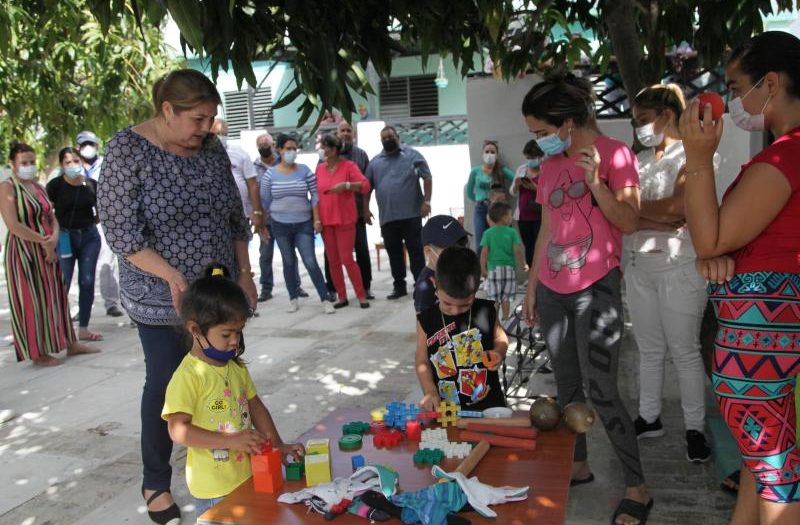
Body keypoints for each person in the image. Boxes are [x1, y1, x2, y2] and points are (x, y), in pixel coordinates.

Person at [97, 69, 257, 524]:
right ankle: (156, 481)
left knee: (224, 377)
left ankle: (224, 459)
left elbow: (233, 217)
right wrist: (172, 278)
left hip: (216, 290)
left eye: (211, 120)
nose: (206, 129)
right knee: (171, 384)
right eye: (198, 119)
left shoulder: (211, 150)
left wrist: (244, 273)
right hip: (158, 295)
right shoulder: (127, 151)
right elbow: (123, 234)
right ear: (167, 110)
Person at [679, 31, 800, 523]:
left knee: (776, 478)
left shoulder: (785, 156)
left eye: (735, 85)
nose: (731, 101)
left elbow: (709, 240)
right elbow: (720, 246)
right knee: (762, 463)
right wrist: (719, 258)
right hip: (768, 334)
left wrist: (699, 158)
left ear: (770, 84)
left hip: (758, 339)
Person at [520, 72, 652, 525]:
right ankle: (578, 465)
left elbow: (630, 221)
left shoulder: (617, 155)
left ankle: (638, 486)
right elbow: (546, 229)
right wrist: (533, 286)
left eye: (541, 132)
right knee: (568, 388)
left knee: (602, 389)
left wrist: (596, 183)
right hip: (555, 291)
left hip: (597, 288)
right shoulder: (550, 165)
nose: (538, 142)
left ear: (568, 124)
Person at [163, 265, 304, 518]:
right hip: (214, 488)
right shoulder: (188, 377)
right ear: (195, 330)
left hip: (248, 474)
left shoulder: (235, 367)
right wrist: (230, 441)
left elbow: (256, 406)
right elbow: (177, 429)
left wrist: (278, 444)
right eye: (226, 334)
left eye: (238, 333)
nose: (235, 341)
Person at [623, 84, 712, 464]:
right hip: (640, 266)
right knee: (650, 349)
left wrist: (639, 213)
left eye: (644, 120)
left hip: (680, 267)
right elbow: (640, 215)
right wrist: (659, 215)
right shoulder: (638, 160)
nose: (640, 128)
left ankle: (695, 429)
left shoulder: (691, 154)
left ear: (667, 115)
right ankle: (649, 417)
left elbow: (682, 207)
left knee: (685, 351)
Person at [1, 142, 99, 366]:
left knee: (56, 296)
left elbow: (51, 216)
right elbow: (13, 225)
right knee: (31, 299)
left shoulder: (38, 186)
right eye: (23, 163)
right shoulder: (7, 188)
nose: (29, 166)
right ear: (12, 164)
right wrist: (43, 241)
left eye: (31, 162)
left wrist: (53, 237)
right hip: (25, 251)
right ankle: (38, 353)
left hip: (48, 248)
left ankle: (70, 342)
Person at [415, 246, 507, 411]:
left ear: (476, 288)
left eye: (465, 304)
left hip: (489, 406)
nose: (456, 311)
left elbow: (501, 338)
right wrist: (429, 391)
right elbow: (422, 362)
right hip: (447, 408)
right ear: (435, 284)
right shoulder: (426, 320)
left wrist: (498, 352)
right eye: (448, 303)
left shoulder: (486, 311)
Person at [260, 133, 335, 314]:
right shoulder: (270, 174)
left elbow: (314, 195)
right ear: (279, 150)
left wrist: (316, 219)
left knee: (310, 261)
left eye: (294, 148)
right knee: (288, 262)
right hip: (280, 225)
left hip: (303, 224)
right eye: (288, 149)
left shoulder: (304, 170)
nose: (292, 152)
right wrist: (263, 224)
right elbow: (265, 200)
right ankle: (293, 297)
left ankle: (325, 298)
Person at [365, 126, 432, 299]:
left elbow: (427, 177)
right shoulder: (375, 162)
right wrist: (365, 209)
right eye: (384, 138)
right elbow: (366, 189)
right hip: (388, 217)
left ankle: (421, 285)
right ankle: (399, 286)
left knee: (416, 251)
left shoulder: (412, 155)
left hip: (411, 215)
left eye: (390, 136)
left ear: (398, 137)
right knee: (394, 253)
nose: (388, 139)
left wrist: (427, 202)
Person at [46, 147, 103, 342]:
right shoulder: (55, 185)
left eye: (75, 161)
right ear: (62, 165)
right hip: (64, 237)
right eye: (67, 162)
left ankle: (84, 328)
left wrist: (93, 222)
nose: (72, 165)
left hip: (89, 236)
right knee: (63, 281)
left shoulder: (91, 185)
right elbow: (47, 211)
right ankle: (58, 328)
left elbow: (102, 210)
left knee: (87, 282)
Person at [316, 133, 371, 309]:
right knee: (333, 260)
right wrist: (316, 218)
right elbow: (315, 195)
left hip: (345, 219)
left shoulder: (349, 166)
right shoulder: (320, 169)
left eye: (325, 147)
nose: (322, 150)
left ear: (334, 150)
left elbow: (365, 185)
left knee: (347, 258)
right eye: (322, 146)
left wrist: (347, 185)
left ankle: (361, 295)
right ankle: (342, 296)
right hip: (326, 221)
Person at [252, 132, 306, 302]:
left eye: (265, 145)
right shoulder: (254, 167)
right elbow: (253, 194)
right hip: (266, 220)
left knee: (289, 255)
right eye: (260, 145)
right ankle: (266, 289)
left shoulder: (282, 162)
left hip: (284, 219)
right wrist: (257, 216)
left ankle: (296, 287)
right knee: (265, 255)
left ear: (273, 146)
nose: (263, 148)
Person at [77, 130, 124, 318]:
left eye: (90, 144)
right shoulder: (73, 166)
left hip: (105, 220)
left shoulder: (107, 164)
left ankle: (111, 303)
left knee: (107, 263)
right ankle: (79, 308)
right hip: (80, 224)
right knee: (80, 268)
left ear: (97, 145)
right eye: (83, 144)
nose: (87, 148)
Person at [213, 119, 266, 232]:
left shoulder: (240, 153)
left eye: (224, 134)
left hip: (241, 213)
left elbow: (252, 184)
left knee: (241, 247)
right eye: (217, 134)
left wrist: (256, 211)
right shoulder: (202, 154)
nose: (221, 137)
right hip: (216, 216)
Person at [464, 140, 515, 255]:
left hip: (498, 209)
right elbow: (469, 192)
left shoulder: (501, 170)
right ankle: (482, 270)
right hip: (481, 209)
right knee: (481, 242)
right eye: (487, 151)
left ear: (497, 155)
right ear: (482, 153)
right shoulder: (475, 171)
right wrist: (479, 200)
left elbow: (516, 179)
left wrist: (506, 194)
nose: (489, 154)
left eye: (492, 152)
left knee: (500, 241)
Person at [480, 202, 528, 321]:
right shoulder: (511, 232)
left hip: (493, 271)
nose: (511, 218)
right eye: (510, 215)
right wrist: (523, 264)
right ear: (504, 217)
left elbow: (484, 253)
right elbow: (518, 251)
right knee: (506, 297)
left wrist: (483, 268)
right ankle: (505, 318)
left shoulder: (488, 233)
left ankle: (494, 320)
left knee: (494, 297)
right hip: (508, 270)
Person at [413, 215, 470, 314]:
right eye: (451, 250)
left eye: (463, 247)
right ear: (428, 251)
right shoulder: (425, 287)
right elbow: (424, 324)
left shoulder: (453, 272)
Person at [509, 140, 545, 266]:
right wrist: (517, 186)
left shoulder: (546, 169)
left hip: (540, 216)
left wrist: (535, 188)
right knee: (529, 247)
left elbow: (551, 193)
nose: (530, 160)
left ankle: (541, 279)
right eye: (528, 157)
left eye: (533, 157)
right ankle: (531, 276)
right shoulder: (521, 169)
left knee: (541, 247)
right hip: (523, 217)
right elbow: (512, 192)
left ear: (541, 156)